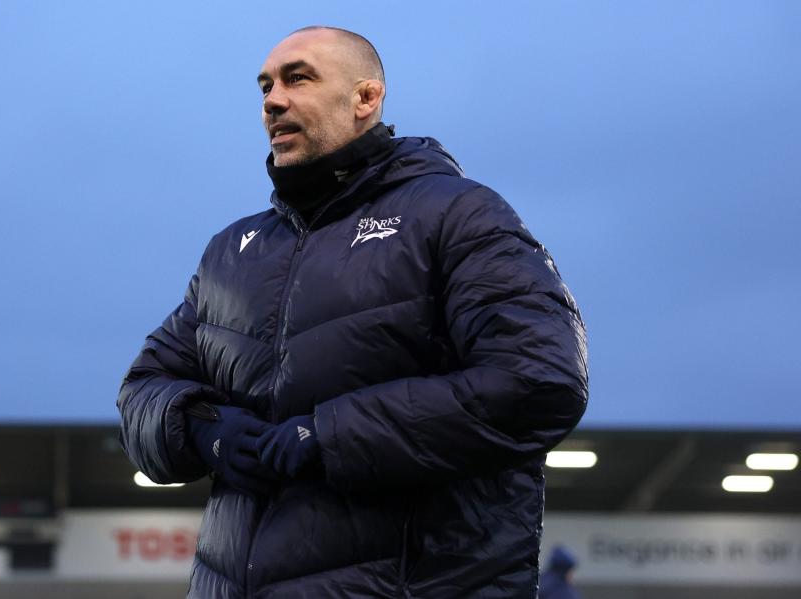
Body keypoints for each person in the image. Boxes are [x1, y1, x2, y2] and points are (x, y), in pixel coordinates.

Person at [117, 25, 588, 598]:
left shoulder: (457, 215)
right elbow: (143, 387)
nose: (273, 100)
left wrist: (330, 437)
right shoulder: (232, 253)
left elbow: (539, 378)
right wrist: (205, 431)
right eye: (265, 86)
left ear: (366, 98)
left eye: (298, 78)